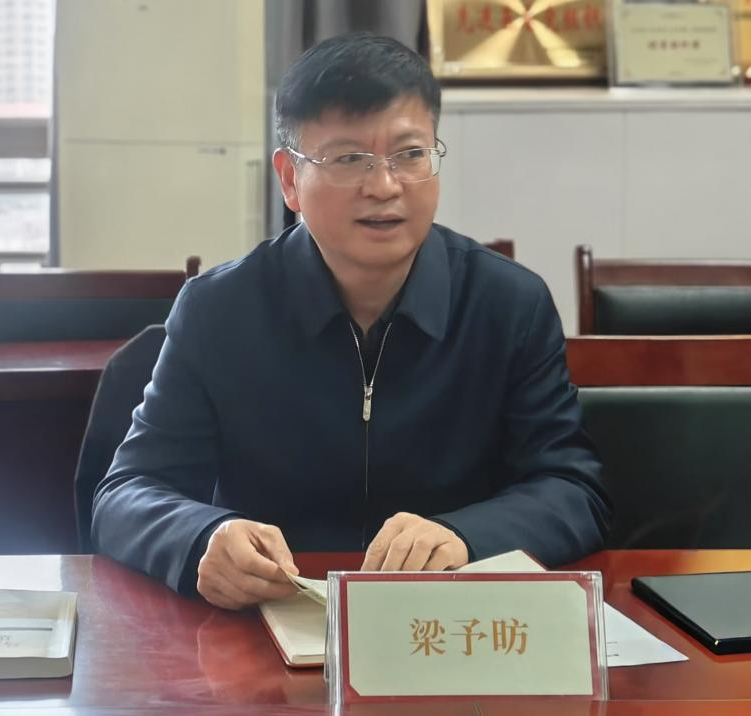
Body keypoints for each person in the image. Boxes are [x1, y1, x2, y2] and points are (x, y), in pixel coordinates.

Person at [92, 32, 611, 610]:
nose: (384, 186)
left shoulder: (508, 304)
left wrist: (466, 537)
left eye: (410, 155)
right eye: (348, 159)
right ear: (290, 179)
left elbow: (572, 490)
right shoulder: (219, 310)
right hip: (271, 619)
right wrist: (201, 539)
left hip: (450, 621)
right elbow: (126, 493)